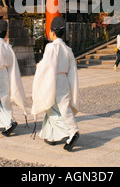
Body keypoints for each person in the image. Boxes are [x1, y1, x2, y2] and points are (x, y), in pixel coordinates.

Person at [31, 17, 79, 152]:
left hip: (53, 80)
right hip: (64, 79)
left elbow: (47, 65)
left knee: (50, 108)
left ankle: (71, 131)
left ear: (52, 32)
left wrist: (38, 66)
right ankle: (51, 136)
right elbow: (72, 70)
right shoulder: (68, 49)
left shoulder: (51, 47)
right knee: (63, 108)